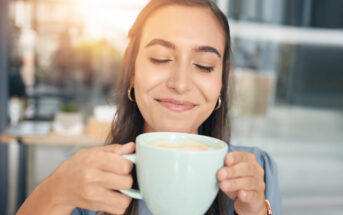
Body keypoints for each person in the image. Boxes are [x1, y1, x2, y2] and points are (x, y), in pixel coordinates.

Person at [17, 0, 281, 215]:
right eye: (160, 59)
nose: (180, 83)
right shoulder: (86, 175)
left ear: (221, 80)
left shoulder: (257, 170)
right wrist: (55, 192)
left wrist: (257, 211)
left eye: (204, 65)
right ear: (132, 71)